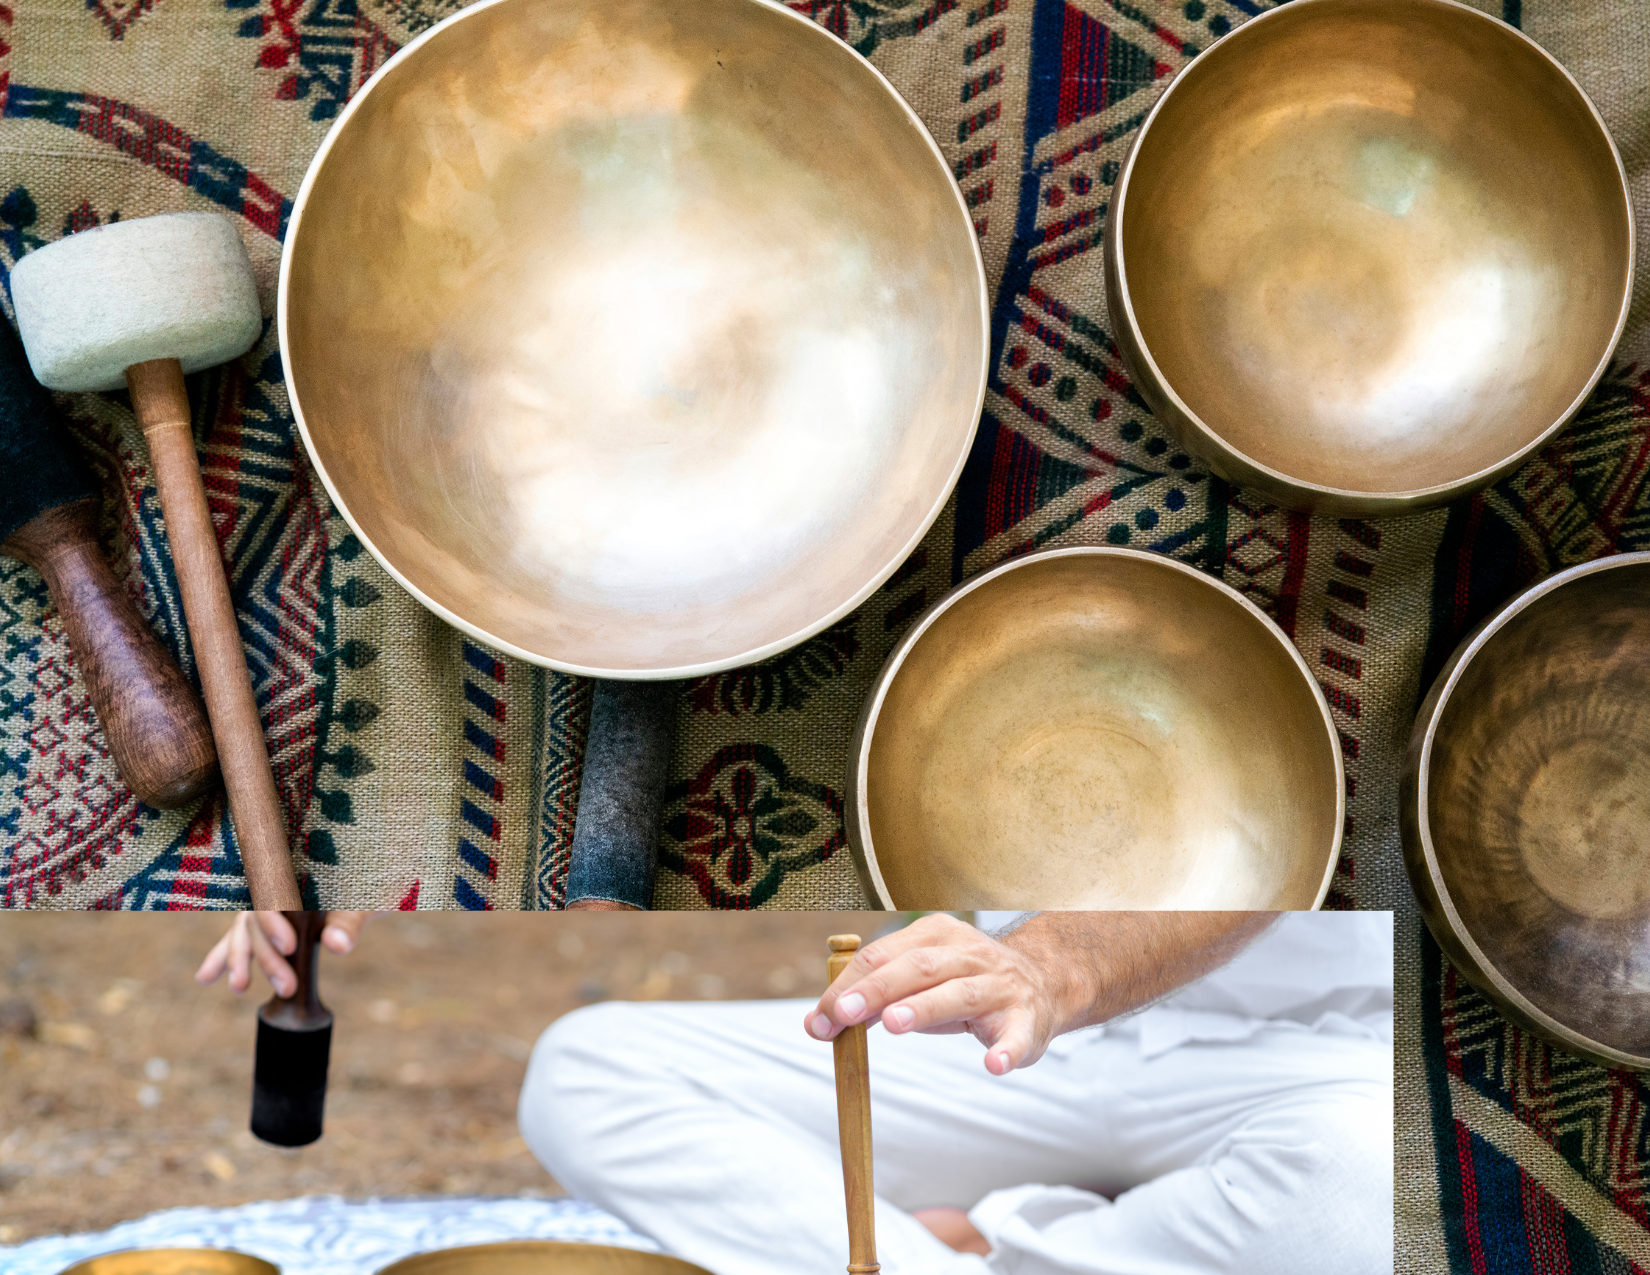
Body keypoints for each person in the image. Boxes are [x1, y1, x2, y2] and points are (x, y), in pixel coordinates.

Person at [201, 910, 1394, 1275]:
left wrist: (1060, 964)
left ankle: (1011, 1242)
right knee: (589, 1069)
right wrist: (310, 883)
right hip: (1003, 1038)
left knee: (1374, 1182)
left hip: (1304, 1055)